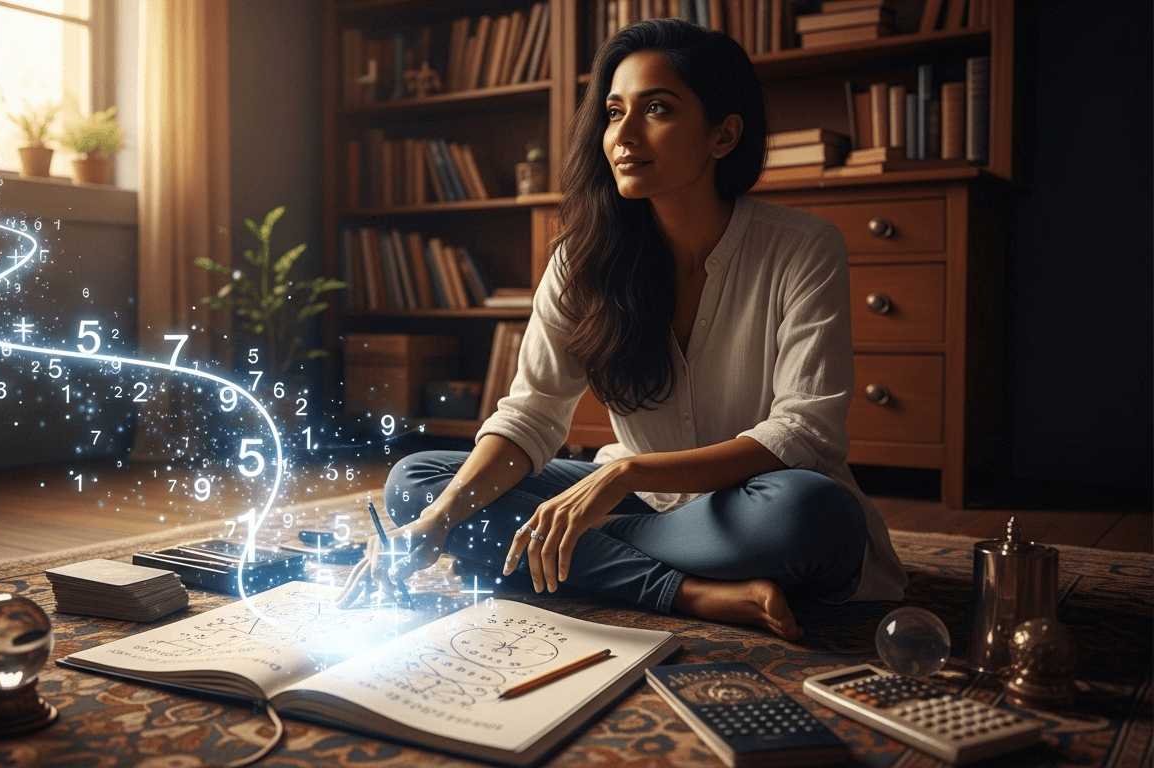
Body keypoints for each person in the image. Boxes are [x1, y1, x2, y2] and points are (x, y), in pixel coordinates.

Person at [337, 18, 906, 640]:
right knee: (416, 486)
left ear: (723, 135)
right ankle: (688, 593)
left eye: (657, 108)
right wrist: (441, 521)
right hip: (651, 511)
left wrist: (625, 475)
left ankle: (562, 547)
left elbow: (803, 432)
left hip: (751, 506)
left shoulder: (803, 247)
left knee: (814, 516)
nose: (624, 136)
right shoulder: (582, 262)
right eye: (613, 112)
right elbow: (530, 416)